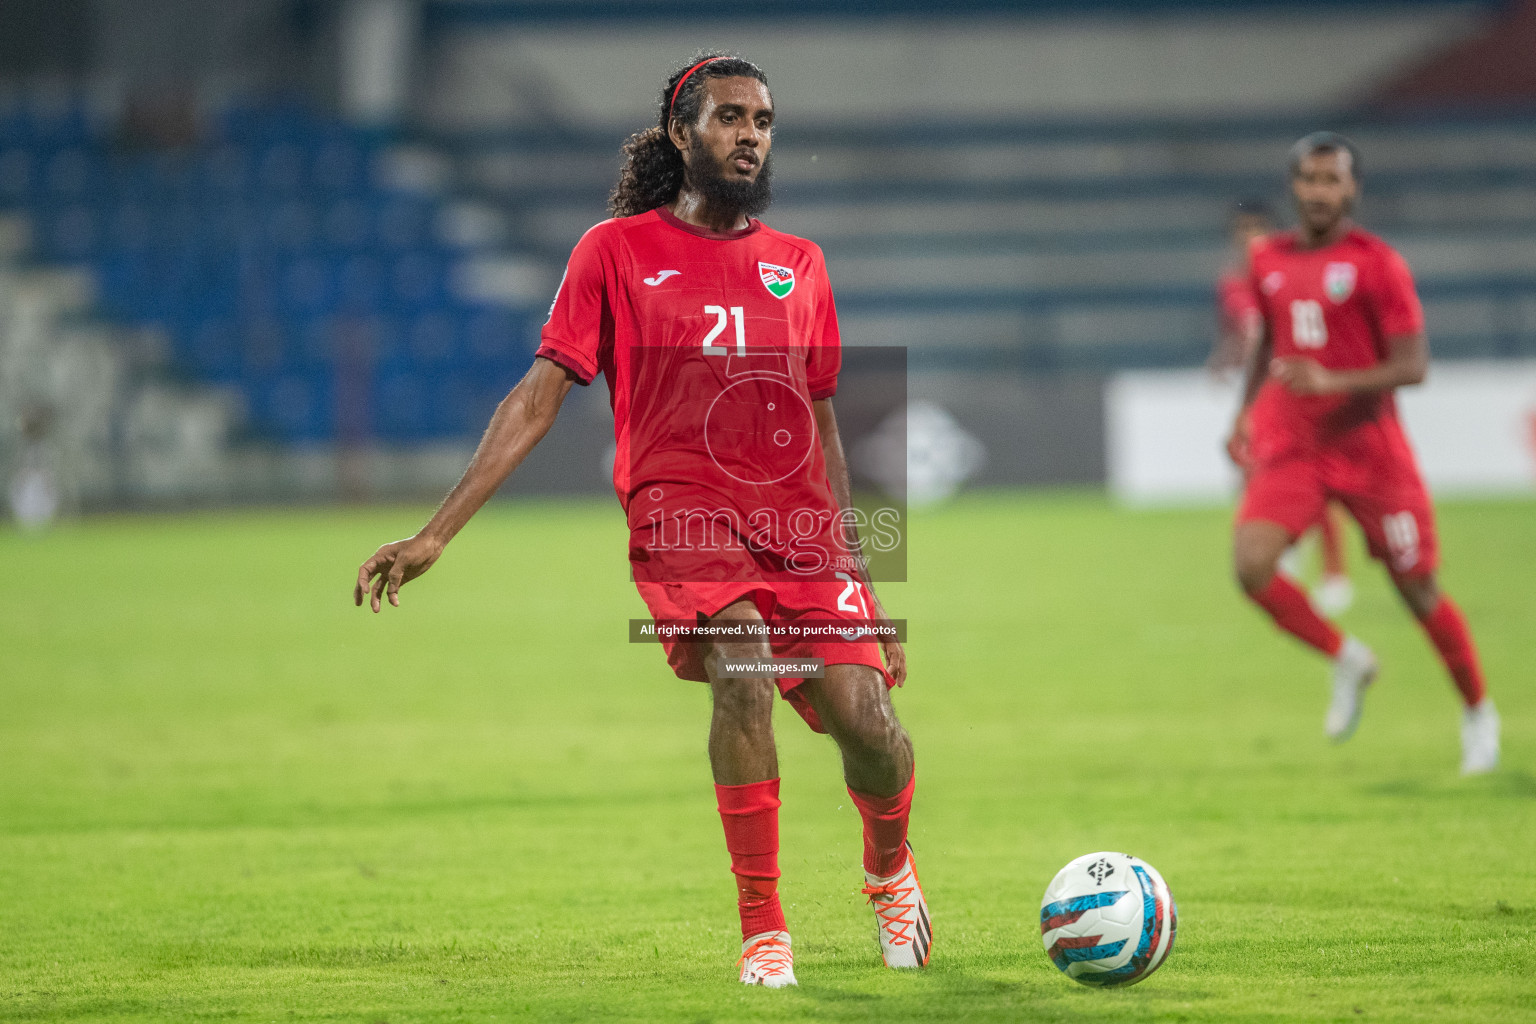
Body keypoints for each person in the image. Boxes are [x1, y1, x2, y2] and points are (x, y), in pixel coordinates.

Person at [352, 52, 928, 988]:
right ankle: (764, 929)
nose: (751, 135)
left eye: (765, 121)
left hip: (798, 529)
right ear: (680, 131)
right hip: (683, 516)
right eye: (732, 117)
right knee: (742, 673)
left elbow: (819, 420)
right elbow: (538, 396)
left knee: (867, 722)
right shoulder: (612, 253)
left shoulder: (801, 266)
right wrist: (435, 532)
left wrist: (859, 573)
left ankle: (890, 870)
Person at [1226, 132, 1498, 774]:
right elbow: (1268, 340)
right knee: (1252, 565)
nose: (1319, 192)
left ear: (1351, 189)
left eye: (1332, 181)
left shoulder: (1379, 264)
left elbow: (1414, 366)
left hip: (1369, 450)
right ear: (1293, 186)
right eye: (1308, 179)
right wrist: (1244, 407)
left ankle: (1477, 710)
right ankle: (1347, 657)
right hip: (1295, 446)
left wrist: (1332, 381)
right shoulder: (1267, 260)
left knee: (1418, 589)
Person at [1214, 199, 1353, 615]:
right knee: (1256, 473)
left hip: (1298, 393)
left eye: (1256, 230)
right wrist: (1222, 360)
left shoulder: (1290, 274)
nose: (1249, 239)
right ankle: (1284, 547)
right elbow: (1244, 334)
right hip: (1261, 393)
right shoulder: (1232, 284)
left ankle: (1334, 574)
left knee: (1314, 477)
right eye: (1242, 231)